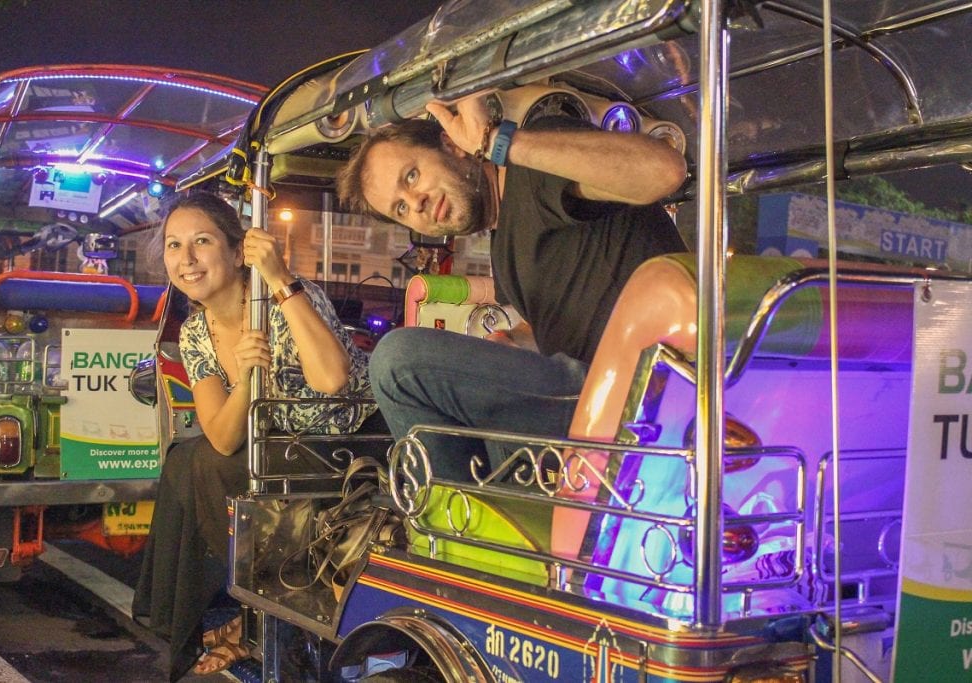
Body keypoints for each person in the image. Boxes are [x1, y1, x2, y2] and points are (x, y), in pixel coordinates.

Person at [336, 93, 687, 480]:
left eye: (412, 176)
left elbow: (664, 171)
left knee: (396, 361)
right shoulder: (503, 248)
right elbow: (565, 320)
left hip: (643, 392)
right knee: (468, 423)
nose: (415, 203)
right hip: (590, 400)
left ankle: (445, 529)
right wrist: (510, 345)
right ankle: (485, 525)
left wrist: (497, 142)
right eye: (400, 208)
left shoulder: (533, 165)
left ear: (452, 146)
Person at [131, 192, 376, 680]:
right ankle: (245, 616)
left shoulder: (285, 295)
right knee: (191, 458)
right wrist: (247, 378)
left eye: (202, 241)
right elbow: (221, 435)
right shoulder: (196, 331)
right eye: (175, 246)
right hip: (284, 447)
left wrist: (281, 278)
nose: (187, 259)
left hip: (349, 444)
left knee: (196, 463)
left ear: (236, 249)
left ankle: (240, 619)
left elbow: (332, 380)